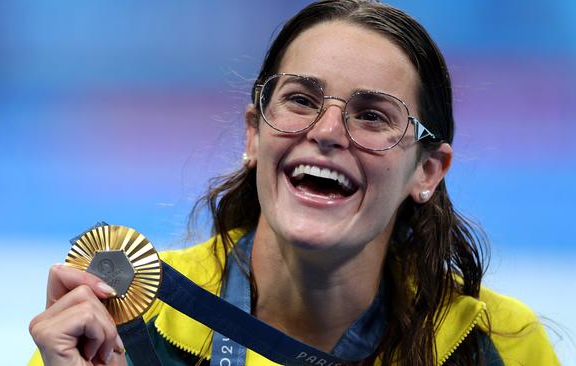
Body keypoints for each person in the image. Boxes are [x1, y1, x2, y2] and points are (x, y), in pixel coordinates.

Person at [28, 1, 559, 365]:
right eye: (301, 100)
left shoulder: (498, 346)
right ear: (255, 133)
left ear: (426, 171)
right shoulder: (124, 325)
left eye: (373, 115)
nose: (326, 132)